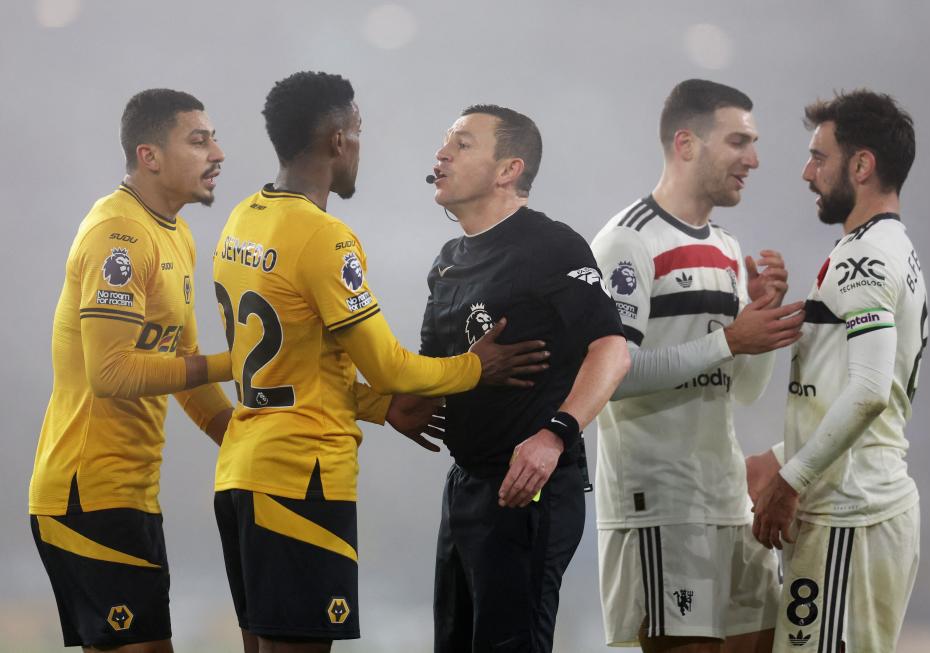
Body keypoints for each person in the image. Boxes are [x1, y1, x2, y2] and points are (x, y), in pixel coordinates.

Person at [210, 73, 549, 653]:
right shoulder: (324, 238)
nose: (361, 146)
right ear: (338, 141)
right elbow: (388, 364)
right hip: (303, 476)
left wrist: (377, 406)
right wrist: (474, 367)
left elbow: (289, 364)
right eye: (359, 132)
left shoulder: (243, 218)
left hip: (242, 474)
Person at [590, 79, 806, 653]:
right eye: (739, 142)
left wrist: (759, 324)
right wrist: (730, 340)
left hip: (727, 498)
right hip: (661, 505)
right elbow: (611, 376)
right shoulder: (625, 243)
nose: (754, 159)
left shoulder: (729, 248)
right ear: (686, 144)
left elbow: (742, 390)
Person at [28, 88, 235, 652]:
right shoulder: (115, 236)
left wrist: (243, 439)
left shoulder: (176, 232)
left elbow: (186, 371)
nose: (218, 152)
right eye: (199, 140)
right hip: (86, 494)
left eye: (213, 137)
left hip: (131, 495)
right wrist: (236, 361)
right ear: (150, 156)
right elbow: (112, 373)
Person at [422, 104, 630, 653]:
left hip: (530, 488)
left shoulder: (552, 245)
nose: (442, 154)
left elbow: (612, 350)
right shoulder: (447, 260)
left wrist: (555, 435)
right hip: (465, 484)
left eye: (463, 144)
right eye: (446, 143)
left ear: (507, 170)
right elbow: (429, 375)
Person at [749, 90, 925, 653]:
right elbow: (848, 381)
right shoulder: (883, 248)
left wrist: (789, 480)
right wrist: (779, 457)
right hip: (857, 508)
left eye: (819, 157)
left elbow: (871, 391)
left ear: (862, 165)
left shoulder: (864, 259)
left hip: (853, 515)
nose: (807, 172)